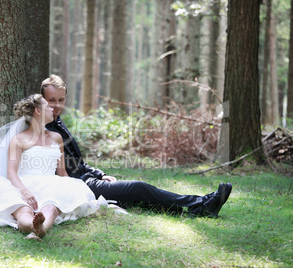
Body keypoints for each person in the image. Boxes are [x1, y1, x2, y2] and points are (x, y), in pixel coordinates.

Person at [41, 74, 232, 217]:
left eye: (61, 100)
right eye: (51, 100)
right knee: (137, 188)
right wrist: (90, 181)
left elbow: (77, 161)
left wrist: (99, 173)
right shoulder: (42, 130)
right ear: (42, 100)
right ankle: (200, 202)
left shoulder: (57, 121)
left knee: (137, 196)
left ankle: (197, 210)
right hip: (78, 186)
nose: (57, 105)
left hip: (87, 178)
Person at [0, 94, 104, 240]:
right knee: (23, 210)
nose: (52, 108)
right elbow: (11, 172)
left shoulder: (56, 137)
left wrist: (69, 189)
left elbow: (62, 172)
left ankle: (41, 227)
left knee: (51, 208)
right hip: (21, 183)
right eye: (47, 105)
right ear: (38, 111)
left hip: (51, 183)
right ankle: (32, 225)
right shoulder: (19, 139)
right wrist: (24, 191)